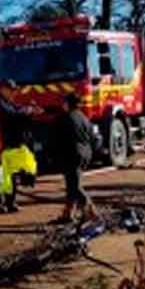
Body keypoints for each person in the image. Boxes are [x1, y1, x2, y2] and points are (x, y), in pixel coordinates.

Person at [51, 93, 98, 224]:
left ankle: (91, 212)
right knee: (71, 185)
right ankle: (68, 214)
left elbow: (56, 138)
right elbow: (93, 138)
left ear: (67, 104)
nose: (62, 105)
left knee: (74, 186)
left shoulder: (64, 117)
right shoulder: (84, 117)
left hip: (71, 155)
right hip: (85, 154)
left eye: (64, 102)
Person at [0, 127, 37, 213]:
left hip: (10, 148)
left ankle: (6, 203)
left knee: (5, 179)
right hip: (10, 148)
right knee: (5, 179)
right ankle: (7, 203)